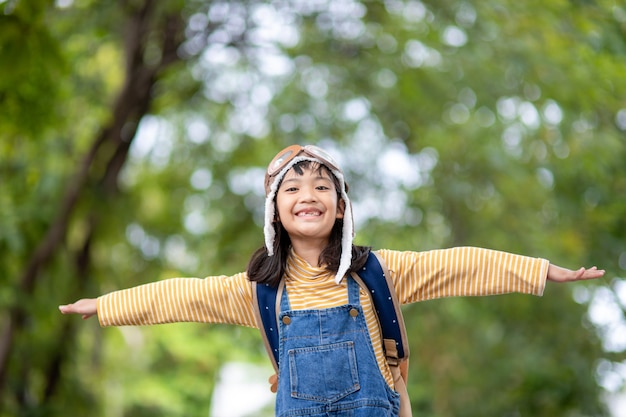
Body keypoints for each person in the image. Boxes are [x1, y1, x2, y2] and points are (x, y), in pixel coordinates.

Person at [60, 144, 605, 417]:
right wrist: (105, 305)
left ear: (341, 207)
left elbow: (460, 263)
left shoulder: (378, 272)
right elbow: (177, 296)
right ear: (274, 211)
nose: (308, 197)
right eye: (292, 189)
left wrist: (539, 270)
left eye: (322, 187)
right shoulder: (259, 290)